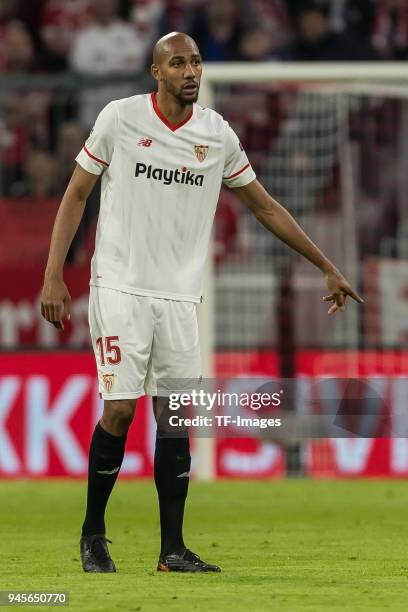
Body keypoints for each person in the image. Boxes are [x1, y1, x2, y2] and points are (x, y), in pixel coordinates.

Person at [40, 31, 363, 574]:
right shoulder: (119, 118)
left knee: (175, 417)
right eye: (178, 63)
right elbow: (76, 192)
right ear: (156, 72)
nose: (190, 72)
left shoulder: (216, 134)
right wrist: (54, 273)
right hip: (120, 284)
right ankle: (93, 536)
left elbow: (264, 207)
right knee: (119, 409)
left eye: (195, 62)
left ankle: (172, 549)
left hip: (180, 297)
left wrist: (324, 263)